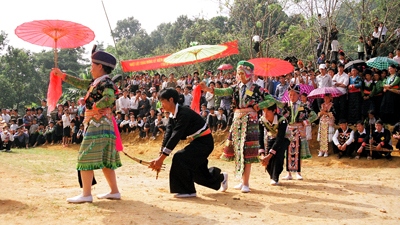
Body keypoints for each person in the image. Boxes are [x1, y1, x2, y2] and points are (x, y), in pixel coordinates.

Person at [52, 47, 122, 203]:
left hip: (98, 123)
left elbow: (109, 97)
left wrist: (97, 105)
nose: (90, 69)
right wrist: (62, 75)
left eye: (92, 65)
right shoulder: (98, 82)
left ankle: (86, 194)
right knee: (105, 158)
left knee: (85, 156)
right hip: (102, 123)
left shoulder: (106, 82)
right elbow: (79, 82)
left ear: (100, 66)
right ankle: (114, 191)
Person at [148, 88, 228, 198]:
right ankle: (221, 178)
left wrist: (161, 159)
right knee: (196, 173)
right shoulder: (173, 116)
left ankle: (187, 191)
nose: (161, 105)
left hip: (204, 143)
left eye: (162, 101)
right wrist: (160, 155)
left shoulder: (184, 113)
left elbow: (176, 136)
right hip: (197, 142)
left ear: (171, 100)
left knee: (180, 158)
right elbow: (168, 134)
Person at [200, 61, 266, 193]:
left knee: (247, 151)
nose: (240, 76)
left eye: (242, 73)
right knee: (238, 149)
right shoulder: (236, 87)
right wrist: (208, 89)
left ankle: (246, 182)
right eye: (238, 73)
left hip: (250, 121)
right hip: (237, 120)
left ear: (248, 74)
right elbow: (223, 91)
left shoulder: (257, 89)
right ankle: (242, 181)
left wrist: (259, 106)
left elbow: (270, 100)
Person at [281, 84, 317, 180]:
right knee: (288, 151)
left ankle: (298, 172)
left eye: (294, 95)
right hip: (289, 130)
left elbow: (314, 115)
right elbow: (282, 117)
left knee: (298, 151)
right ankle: (288, 173)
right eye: (290, 95)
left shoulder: (303, 106)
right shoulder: (286, 105)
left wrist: (306, 121)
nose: (292, 97)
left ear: (298, 95)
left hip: (299, 130)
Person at [258, 95, 289, 186]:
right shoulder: (261, 120)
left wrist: (269, 155)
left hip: (284, 139)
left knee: (278, 155)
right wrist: (263, 154)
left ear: (274, 111)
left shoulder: (282, 120)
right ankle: (272, 175)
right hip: (271, 137)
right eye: (264, 111)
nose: (265, 113)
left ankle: (275, 177)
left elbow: (280, 139)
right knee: (268, 157)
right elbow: (260, 135)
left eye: (268, 111)